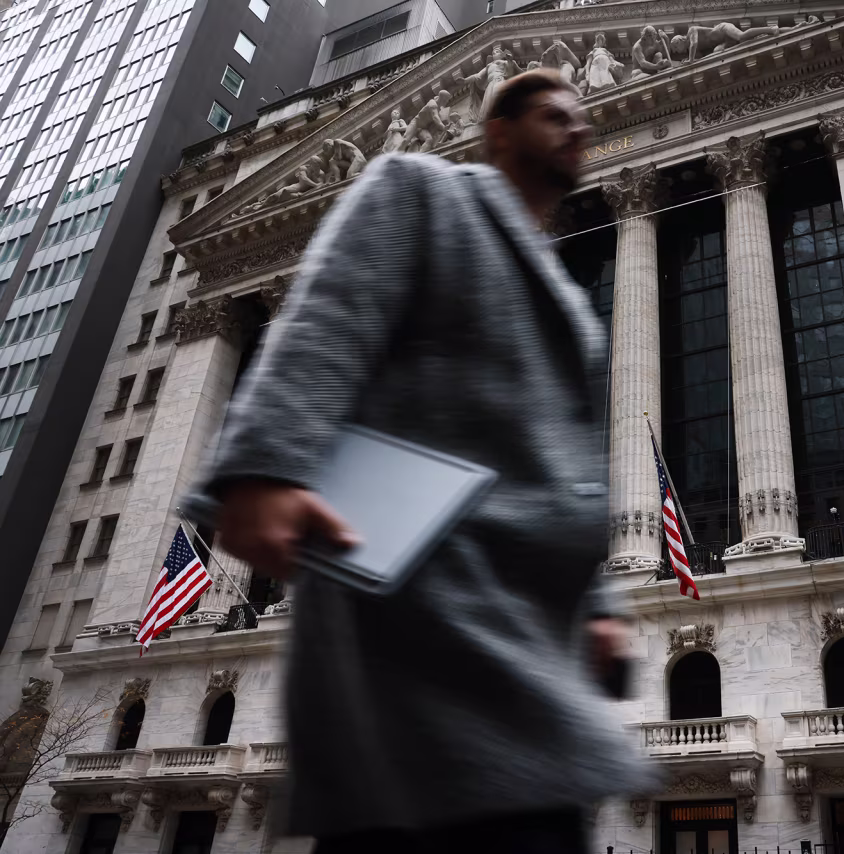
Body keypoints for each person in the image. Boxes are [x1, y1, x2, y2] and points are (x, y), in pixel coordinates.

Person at [187, 70, 653, 852]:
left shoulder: (571, 306)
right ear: (499, 131)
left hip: (535, 651)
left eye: (581, 118)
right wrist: (265, 470)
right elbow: (328, 320)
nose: (577, 128)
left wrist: (601, 605)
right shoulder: (421, 191)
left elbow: (572, 475)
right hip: (421, 609)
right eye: (554, 115)